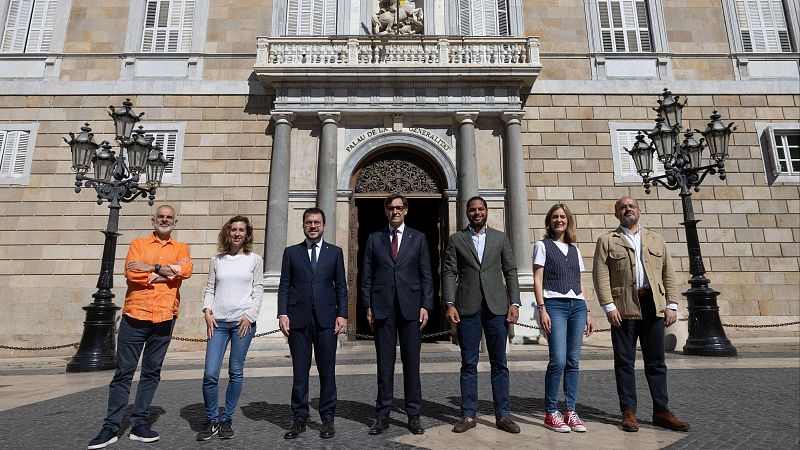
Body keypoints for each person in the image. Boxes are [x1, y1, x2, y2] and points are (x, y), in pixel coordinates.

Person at [88, 205, 193, 449]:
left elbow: (186, 271)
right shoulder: (138, 244)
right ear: (153, 220)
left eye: (169, 218)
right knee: (124, 372)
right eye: (161, 217)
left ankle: (139, 423)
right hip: (136, 315)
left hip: (165, 317)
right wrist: (169, 274)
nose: (165, 220)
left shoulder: (181, 248)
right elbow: (132, 273)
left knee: (151, 372)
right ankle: (111, 426)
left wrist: (154, 268)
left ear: (175, 222)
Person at [592, 196, 690, 433]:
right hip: (623, 308)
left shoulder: (656, 239)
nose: (627, 209)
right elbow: (600, 275)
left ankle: (661, 410)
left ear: (639, 210)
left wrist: (672, 304)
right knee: (624, 362)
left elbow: (668, 272)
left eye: (631, 206)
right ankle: (628, 411)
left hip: (653, 305)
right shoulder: (607, 240)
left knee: (656, 361)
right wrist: (609, 306)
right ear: (616, 214)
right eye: (622, 207)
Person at [443, 196, 521, 434]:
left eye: (480, 209)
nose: (476, 213)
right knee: (469, 364)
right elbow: (448, 271)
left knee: (500, 363)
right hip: (467, 308)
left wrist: (515, 303)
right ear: (467, 213)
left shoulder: (500, 237)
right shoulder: (457, 239)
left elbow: (510, 270)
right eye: (472, 210)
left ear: (487, 211)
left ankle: (503, 415)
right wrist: (450, 303)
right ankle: (468, 415)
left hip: (496, 308)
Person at [361, 193, 433, 436]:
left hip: (411, 308)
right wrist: (368, 306)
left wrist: (426, 305)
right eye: (391, 208)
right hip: (383, 309)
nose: (395, 211)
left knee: (412, 366)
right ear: (385, 211)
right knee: (384, 366)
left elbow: (426, 274)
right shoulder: (374, 238)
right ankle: (382, 416)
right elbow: (367, 277)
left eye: (399, 207)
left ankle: (413, 415)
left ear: (406, 210)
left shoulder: (419, 238)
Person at [278, 208, 348, 440]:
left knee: (327, 371)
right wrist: (282, 314)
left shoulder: (335, 253)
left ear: (324, 226)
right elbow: (284, 285)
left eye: (317, 222)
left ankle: (328, 417)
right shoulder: (291, 252)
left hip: (327, 320)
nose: (313, 226)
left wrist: (343, 315)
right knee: (300, 372)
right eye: (309, 222)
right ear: (303, 225)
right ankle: (299, 417)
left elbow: (341, 287)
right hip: (298, 320)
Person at [196, 215, 263, 441]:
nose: (237, 233)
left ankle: (227, 419)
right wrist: (207, 311)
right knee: (210, 375)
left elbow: (258, 289)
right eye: (233, 229)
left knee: (235, 371)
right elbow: (209, 289)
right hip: (218, 323)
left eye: (241, 230)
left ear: (247, 234)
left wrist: (250, 316)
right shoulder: (217, 260)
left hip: (242, 323)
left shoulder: (255, 259)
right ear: (227, 232)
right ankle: (212, 418)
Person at [532, 203, 594, 433]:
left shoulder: (574, 250)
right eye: (555, 217)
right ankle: (551, 412)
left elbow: (580, 283)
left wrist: (587, 311)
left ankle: (570, 410)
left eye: (563, 217)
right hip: (554, 304)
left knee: (573, 361)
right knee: (557, 360)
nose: (559, 220)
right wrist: (542, 308)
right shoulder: (542, 246)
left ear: (568, 221)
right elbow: (538, 279)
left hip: (577, 305)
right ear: (549, 221)